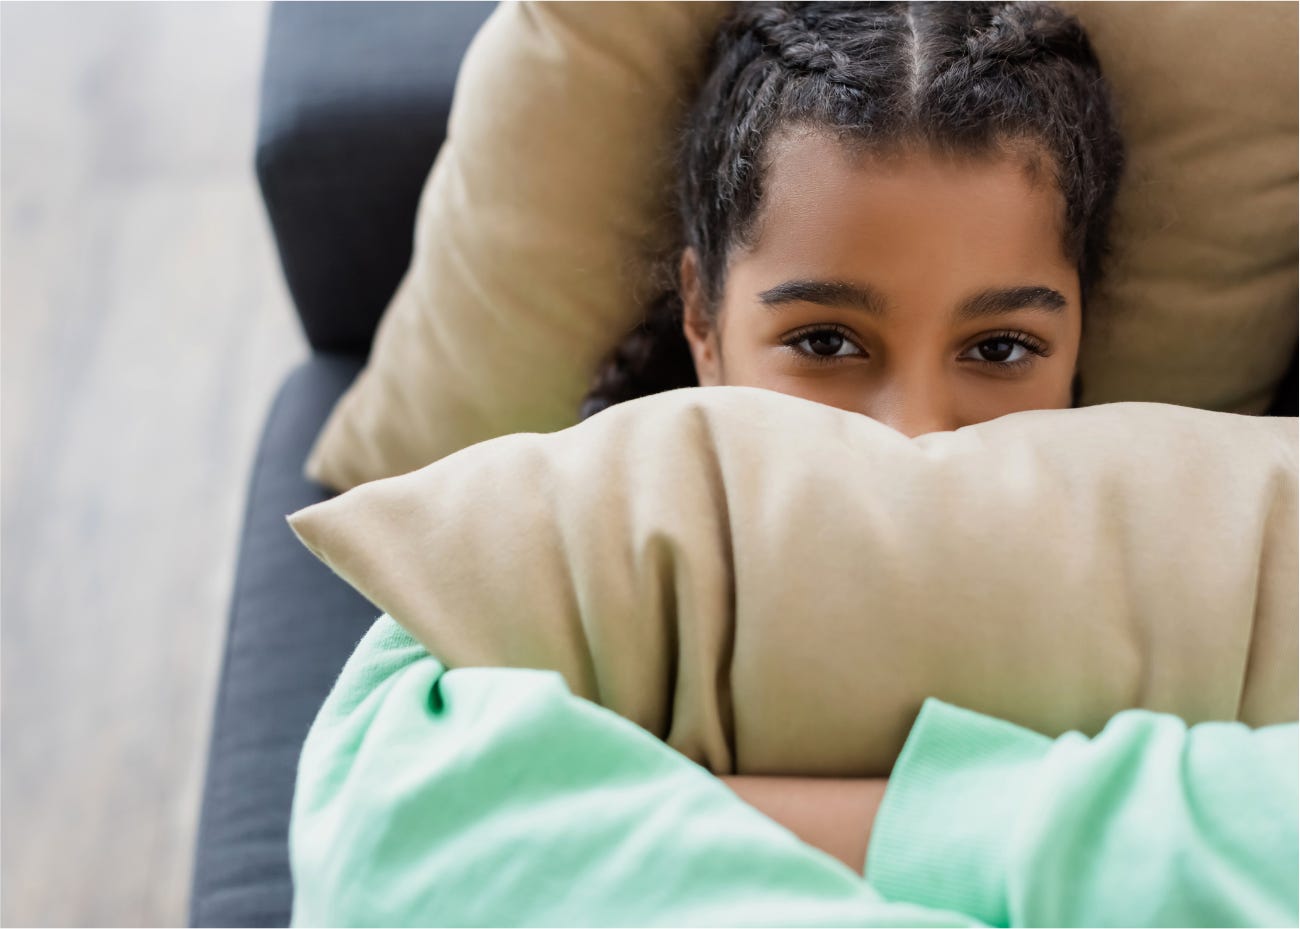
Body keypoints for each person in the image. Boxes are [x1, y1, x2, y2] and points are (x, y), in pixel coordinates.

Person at [288, 3, 1298, 926]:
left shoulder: (1211, 570)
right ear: (703, 317)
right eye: (825, 341)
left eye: (998, 348)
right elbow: (392, 847)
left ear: (1078, 342)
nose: (916, 435)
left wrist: (763, 809)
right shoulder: (567, 546)